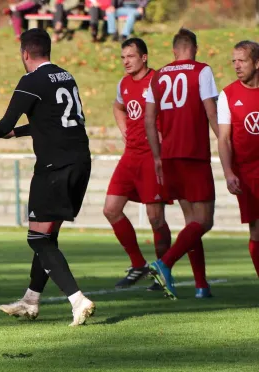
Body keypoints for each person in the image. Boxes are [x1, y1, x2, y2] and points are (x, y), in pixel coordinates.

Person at [0, 28, 95, 326]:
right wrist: (13, 134)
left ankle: (77, 299)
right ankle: (31, 300)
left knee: (38, 239)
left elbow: (6, 120)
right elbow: (47, 121)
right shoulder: (66, 76)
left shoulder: (31, 80)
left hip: (54, 166)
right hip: (80, 161)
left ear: (25, 54)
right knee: (46, 236)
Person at [144, 28, 219, 300]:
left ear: (174, 50)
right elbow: (212, 112)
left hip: (169, 155)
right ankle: (165, 262)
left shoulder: (159, 75)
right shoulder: (202, 71)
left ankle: (201, 286)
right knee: (205, 220)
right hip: (195, 154)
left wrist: (156, 156)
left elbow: (149, 120)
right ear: (195, 48)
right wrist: (226, 145)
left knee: (191, 223)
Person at [104, 37, 171, 290]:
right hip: (130, 155)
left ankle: (163, 270)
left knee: (156, 218)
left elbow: (174, 111)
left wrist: (167, 139)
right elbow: (118, 107)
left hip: (152, 156)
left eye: (130, 56)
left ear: (144, 57)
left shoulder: (159, 81)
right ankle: (139, 264)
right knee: (111, 209)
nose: (126, 62)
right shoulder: (124, 83)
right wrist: (123, 130)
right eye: (123, 57)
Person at [217, 40, 259, 278]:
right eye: (234, 61)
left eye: (242, 60)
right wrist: (228, 173)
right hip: (247, 174)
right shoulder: (228, 95)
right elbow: (224, 139)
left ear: (257, 63)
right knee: (256, 231)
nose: (236, 65)